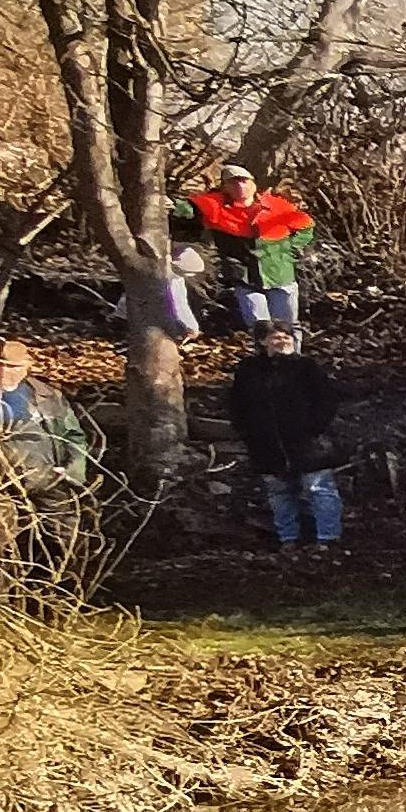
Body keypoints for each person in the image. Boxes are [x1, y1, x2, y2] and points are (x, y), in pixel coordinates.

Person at [230, 320, 345, 549]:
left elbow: (327, 400)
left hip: (308, 444)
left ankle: (328, 539)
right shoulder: (249, 370)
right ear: (262, 341)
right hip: (267, 446)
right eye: (276, 337)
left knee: (319, 489)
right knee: (280, 494)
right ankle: (288, 539)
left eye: (287, 337)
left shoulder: (306, 367)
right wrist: (248, 434)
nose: (282, 341)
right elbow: (237, 405)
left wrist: (315, 428)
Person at [173, 164, 320, 334]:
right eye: (233, 182)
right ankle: (263, 351)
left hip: (281, 277)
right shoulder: (215, 206)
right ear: (225, 187)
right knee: (260, 329)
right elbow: (187, 209)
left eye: (244, 181)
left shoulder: (276, 205)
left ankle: (293, 351)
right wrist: (169, 205)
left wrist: (292, 249)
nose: (240, 185)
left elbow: (306, 227)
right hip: (245, 280)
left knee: (287, 327)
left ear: (253, 184)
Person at [0, 339, 98, 500]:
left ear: (25, 369)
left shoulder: (47, 396)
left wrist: (71, 473)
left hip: (50, 482)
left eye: (13, 367)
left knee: (64, 512)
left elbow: (74, 436)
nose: (3, 371)